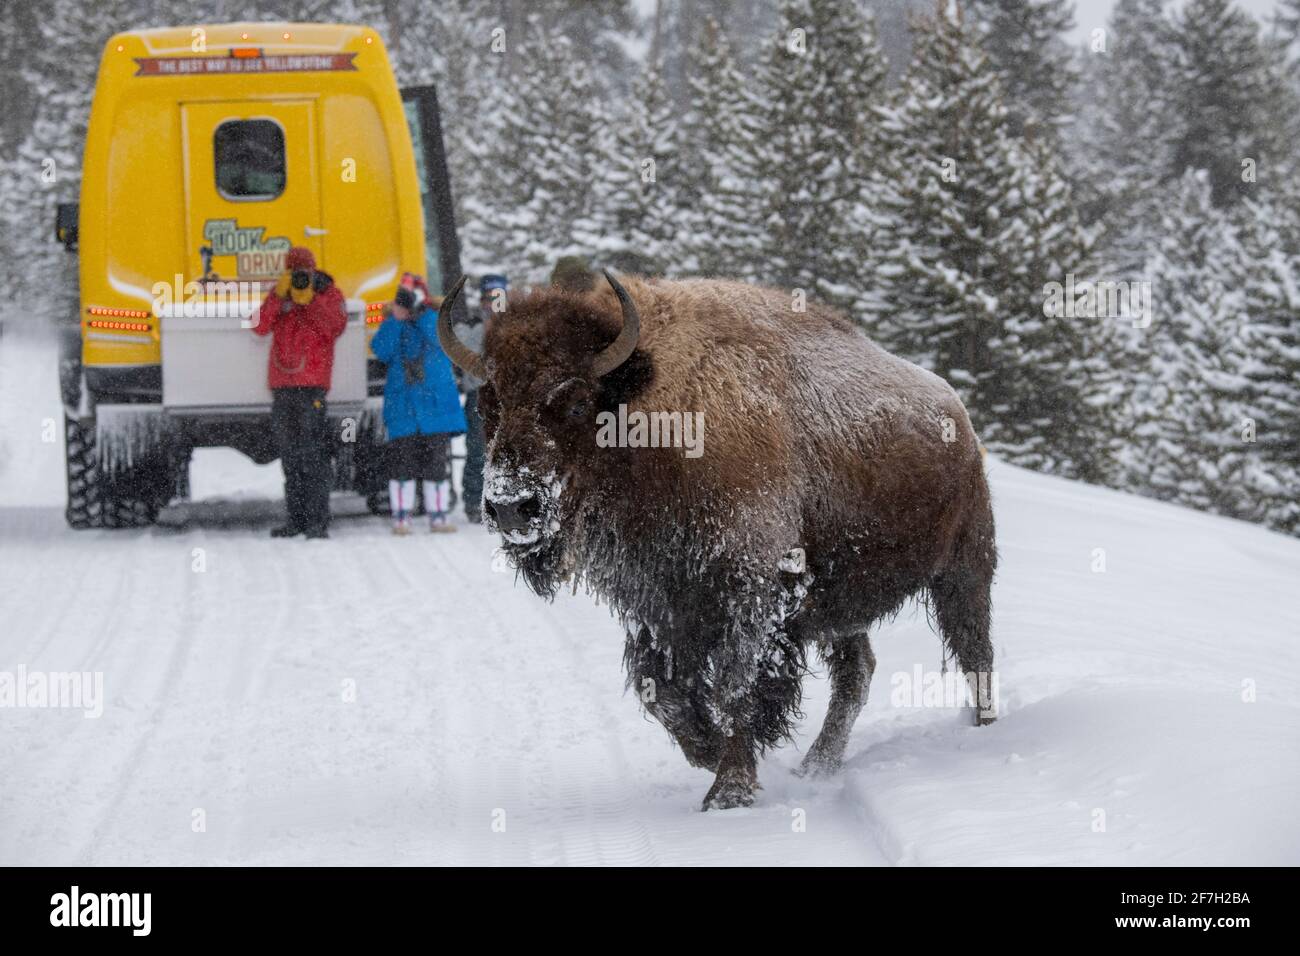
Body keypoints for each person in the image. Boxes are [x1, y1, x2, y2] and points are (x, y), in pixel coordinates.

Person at [252, 246, 347, 540]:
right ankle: (297, 520)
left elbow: (335, 326)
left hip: (312, 386)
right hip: (283, 387)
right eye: (295, 272)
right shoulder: (281, 293)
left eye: (303, 271)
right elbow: (258, 326)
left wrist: (311, 300)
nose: (300, 277)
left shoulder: (328, 292)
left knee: (314, 456)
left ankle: (317, 522)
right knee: (290, 458)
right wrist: (278, 297)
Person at [371, 273, 467, 534]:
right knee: (402, 464)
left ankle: (438, 516)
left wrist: (421, 313)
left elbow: (442, 340)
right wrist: (397, 319)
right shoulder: (394, 324)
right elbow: (380, 349)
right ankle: (402, 517)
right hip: (404, 407)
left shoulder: (435, 320)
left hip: (434, 407)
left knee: (437, 464)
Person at [456, 273, 507, 523]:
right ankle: (473, 501)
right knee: (477, 449)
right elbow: (465, 358)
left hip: (509, 396)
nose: (493, 304)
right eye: (490, 298)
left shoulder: (517, 325)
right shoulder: (472, 326)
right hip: (480, 395)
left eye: (498, 298)